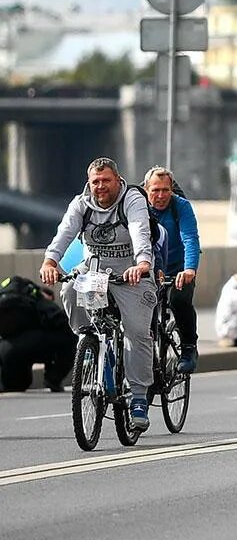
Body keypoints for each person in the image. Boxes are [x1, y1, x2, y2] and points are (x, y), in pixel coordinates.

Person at [40, 157, 158, 432]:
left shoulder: (132, 200)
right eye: (95, 182)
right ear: (89, 183)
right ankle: (88, 340)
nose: (100, 187)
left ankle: (139, 398)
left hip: (131, 273)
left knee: (137, 331)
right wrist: (50, 261)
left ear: (117, 180)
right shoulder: (81, 204)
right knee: (69, 287)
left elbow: (140, 230)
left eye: (106, 181)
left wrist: (142, 263)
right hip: (94, 272)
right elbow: (64, 233)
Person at [142, 167, 201, 373]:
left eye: (165, 190)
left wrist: (189, 269)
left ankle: (188, 347)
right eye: (155, 190)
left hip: (177, 270)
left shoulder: (181, 207)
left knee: (179, 300)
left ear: (172, 190)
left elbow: (190, 239)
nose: (160, 196)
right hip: (148, 269)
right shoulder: (138, 208)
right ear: (145, 189)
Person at [0, 273, 74, 392]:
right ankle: (53, 379)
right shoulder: (38, 298)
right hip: (28, 347)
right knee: (69, 336)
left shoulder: (11, 299)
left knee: (19, 385)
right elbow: (60, 320)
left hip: (5, 350)